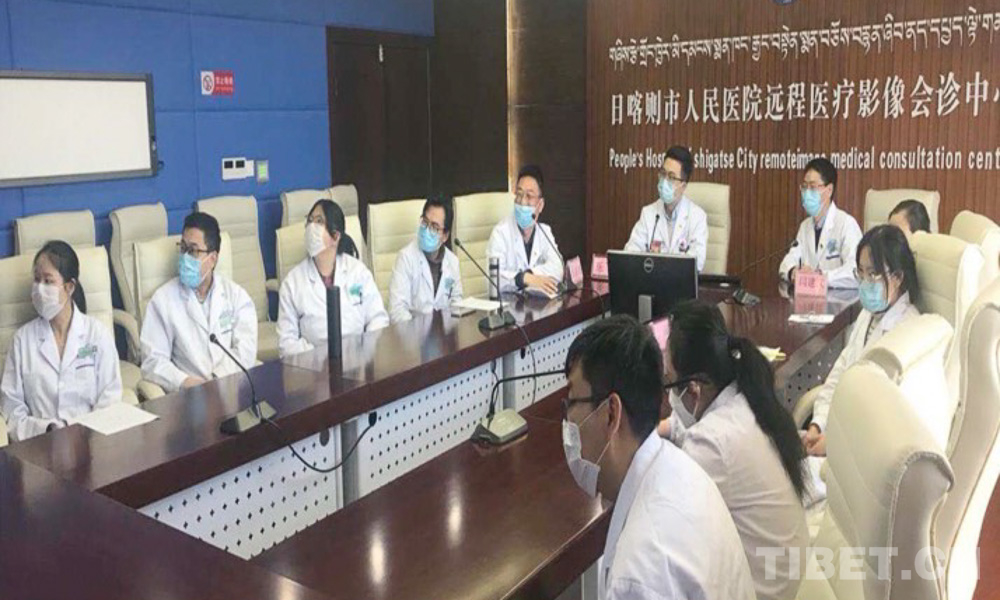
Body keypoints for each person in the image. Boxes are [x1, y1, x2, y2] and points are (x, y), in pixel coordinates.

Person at [562, 315, 754, 600]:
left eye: (571, 402)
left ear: (611, 413)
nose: (567, 421)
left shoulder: (639, 574)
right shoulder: (678, 468)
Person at [658, 301, 808, 600]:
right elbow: (695, 426)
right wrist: (666, 428)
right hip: (784, 576)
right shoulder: (746, 398)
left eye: (671, 382)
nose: (670, 394)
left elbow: (667, 517)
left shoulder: (711, 443)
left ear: (695, 387)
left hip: (763, 590)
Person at [802, 225, 921, 456]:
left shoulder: (907, 330)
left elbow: (882, 416)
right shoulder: (868, 315)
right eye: (861, 273)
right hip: (838, 434)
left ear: (897, 277)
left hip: (864, 452)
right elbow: (840, 372)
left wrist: (834, 443)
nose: (865, 282)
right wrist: (818, 425)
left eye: (873, 274)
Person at [1, 241, 122, 441]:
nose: (39, 289)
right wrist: (46, 429)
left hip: (90, 443)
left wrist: (81, 434)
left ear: (69, 287)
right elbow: (12, 407)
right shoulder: (22, 341)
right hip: (39, 444)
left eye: (48, 281)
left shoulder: (97, 335)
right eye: (37, 280)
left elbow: (110, 398)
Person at [140, 212, 258, 393]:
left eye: (193, 251)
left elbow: (245, 349)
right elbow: (153, 361)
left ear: (212, 259)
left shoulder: (236, 296)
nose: (185, 257)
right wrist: (185, 382)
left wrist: (217, 379)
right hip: (187, 396)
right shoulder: (163, 300)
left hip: (229, 388)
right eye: (183, 248)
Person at [278, 199, 388, 358]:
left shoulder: (358, 272)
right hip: (312, 366)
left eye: (319, 221)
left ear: (335, 236)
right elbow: (286, 343)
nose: (311, 227)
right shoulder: (292, 283)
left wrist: (364, 352)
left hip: (358, 361)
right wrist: (318, 358)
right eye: (309, 220)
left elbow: (378, 319)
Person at [778, 157, 863, 289]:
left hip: (839, 299)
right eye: (804, 187)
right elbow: (788, 262)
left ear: (829, 190)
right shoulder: (805, 226)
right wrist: (794, 272)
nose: (807, 192)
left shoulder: (846, 224)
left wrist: (820, 276)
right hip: (807, 299)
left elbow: (855, 272)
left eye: (812, 187)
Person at [624, 146, 708, 272]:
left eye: (672, 177)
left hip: (680, 284)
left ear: (683, 186)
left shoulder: (697, 217)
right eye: (663, 174)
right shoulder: (648, 213)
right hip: (652, 282)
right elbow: (630, 254)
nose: (664, 181)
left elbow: (697, 264)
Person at [487, 165, 564, 295]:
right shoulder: (500, 233)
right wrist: (524, 278)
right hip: (508, 305)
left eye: (529, 196)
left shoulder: (544, 232)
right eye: (519, 194)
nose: (522, 202)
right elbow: (494, 278)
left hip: (535, 304)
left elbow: (558, 267)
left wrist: (532, 275)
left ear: (540, 205)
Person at [388, 194, 464, 323]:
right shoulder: (405, 258)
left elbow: (457, 305)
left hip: (444, 333)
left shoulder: (452, 262)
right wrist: (419, 332)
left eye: (434, 227)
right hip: (412, 333)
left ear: (445, 236)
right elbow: (397, 310)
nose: (427, 230)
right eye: (425, 222)